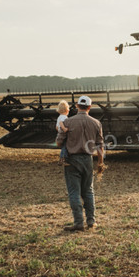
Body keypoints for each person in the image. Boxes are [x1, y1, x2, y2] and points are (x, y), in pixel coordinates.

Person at [56, 95, 105, 231]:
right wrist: (100, 163)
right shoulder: (96, 123)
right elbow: (100, 146)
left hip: (72, 160)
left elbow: (59, 142)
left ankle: (78, 223)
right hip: (88, 160)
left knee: (74, 192)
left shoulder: (68, 122)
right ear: (89, 107)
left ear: (77, 106)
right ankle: (91, 221)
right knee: (88, 191)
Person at [55, 100, 70, 165]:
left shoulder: (59, 117)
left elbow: (56, 127)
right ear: (67, 110)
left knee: (63, 147)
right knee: (65, 146)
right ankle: (63, 159)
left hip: (59, 134)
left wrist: (59, 131)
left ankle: (63, 158)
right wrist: (64, 129)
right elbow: (61, 123)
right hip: (63, 134)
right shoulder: (64, 117)